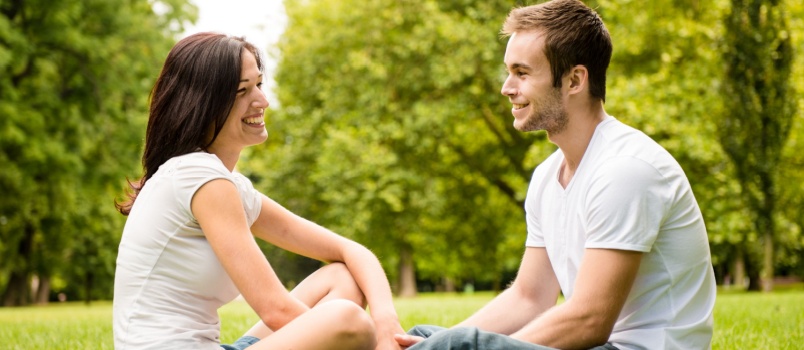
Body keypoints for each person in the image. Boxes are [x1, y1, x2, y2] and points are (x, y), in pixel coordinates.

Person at [394, 1, 716, 349]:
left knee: (460, 344)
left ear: (574, 80)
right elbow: (529, 298)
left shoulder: (626, 169)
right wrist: (444, 342)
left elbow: (590, 320)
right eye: (508, 72)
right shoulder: (548, 176)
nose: (506, 87)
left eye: (522, 73)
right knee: (425, 336)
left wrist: (472, 347)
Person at [113, 32, 405, 350]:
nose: (262, 101)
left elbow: (350, 251)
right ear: (202, 103)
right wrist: (357, 336)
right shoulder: (199, 177)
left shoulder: (224, 183)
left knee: (341, 279)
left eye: (259, 85)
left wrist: (386, 322)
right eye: (242, 91)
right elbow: (276, 310)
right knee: (348, 321)